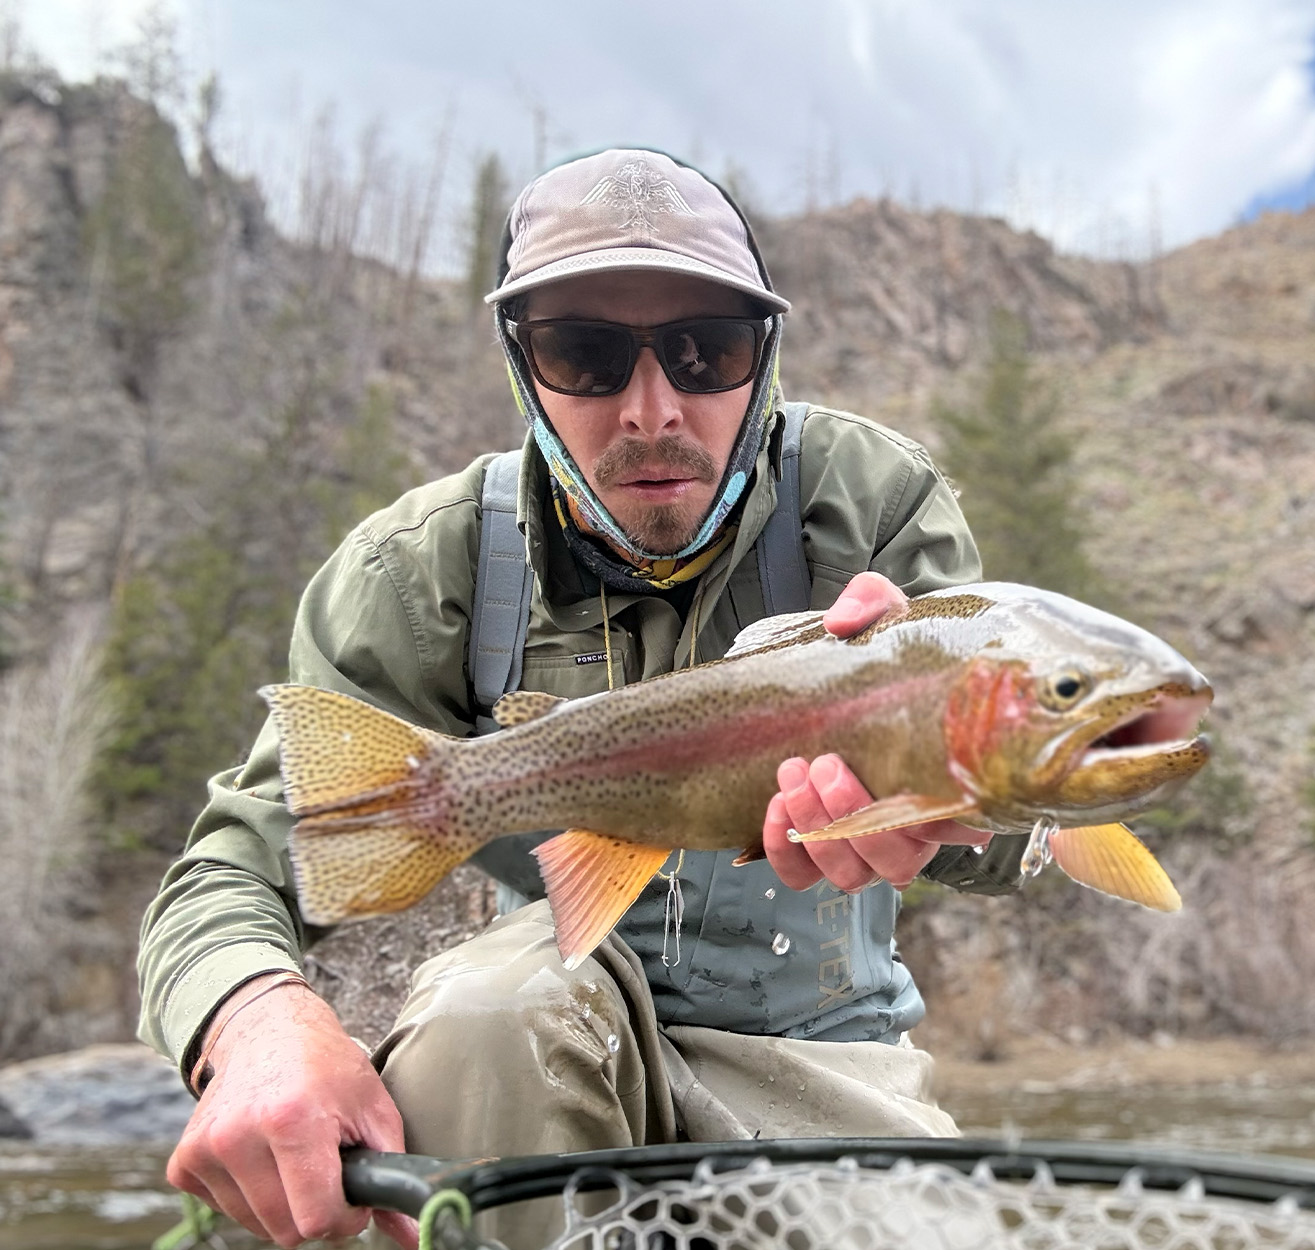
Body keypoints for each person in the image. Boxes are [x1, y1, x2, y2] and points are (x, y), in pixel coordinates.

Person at [136, 147, 1022, 1249]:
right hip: (541, 1034)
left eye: (707, 350)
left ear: (765, 356)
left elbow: (999, 839)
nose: (653, 409)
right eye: (586, 353)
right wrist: (258, 1019)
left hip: (825, 1056)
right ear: (525, 366)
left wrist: (951, 800)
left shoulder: (874, 506)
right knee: (486, 1012)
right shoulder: (425, 569)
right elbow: (232, 865)